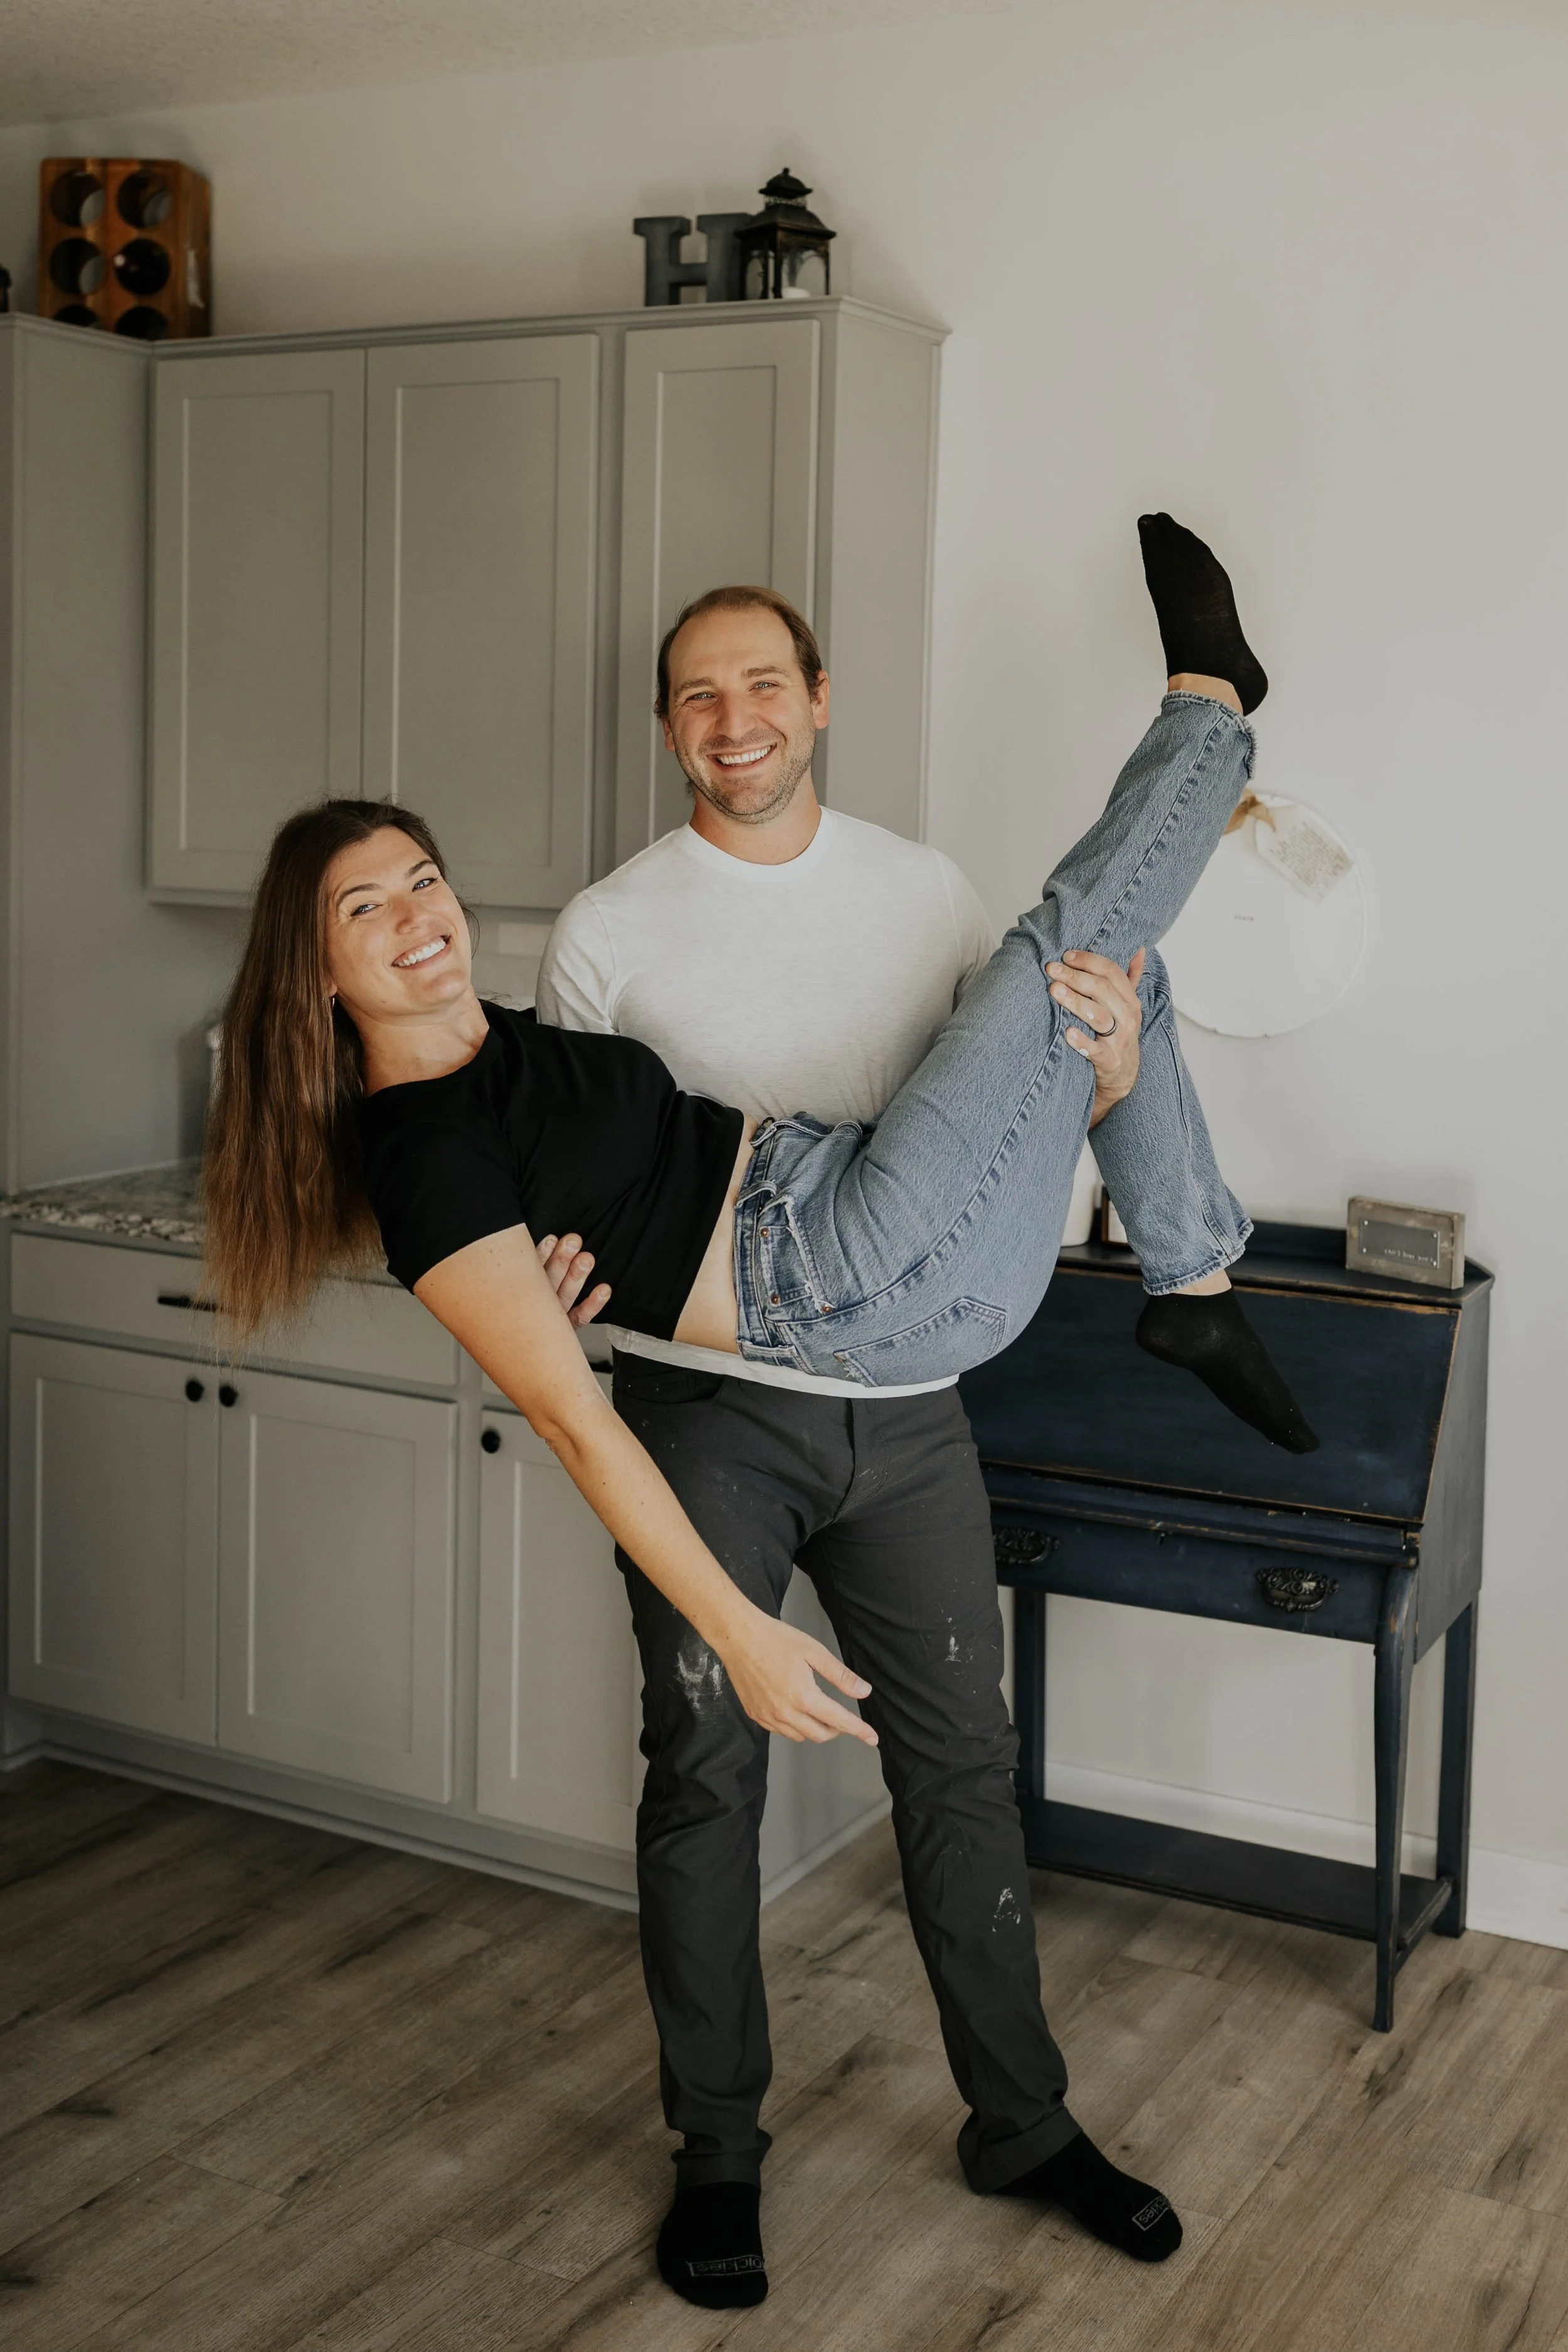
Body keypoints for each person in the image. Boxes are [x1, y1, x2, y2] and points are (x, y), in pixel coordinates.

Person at [203, 516, 1310, 2307]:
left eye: (419, 881)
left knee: (1107, 967)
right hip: (744, 1374)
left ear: (816, 706)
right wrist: (731, 1615)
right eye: (367, 906)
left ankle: (1019, 2119)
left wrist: (1094, 1060)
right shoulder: (536, 1009)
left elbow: (630, 1172)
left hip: (901, 1333)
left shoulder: (537, 1013)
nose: (415, 916)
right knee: (702, 1779)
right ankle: (717, 2149)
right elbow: (565, 1409)